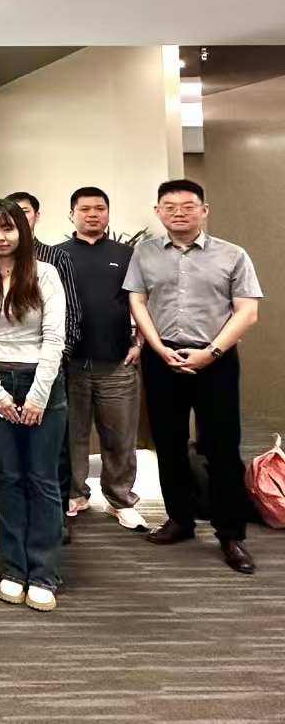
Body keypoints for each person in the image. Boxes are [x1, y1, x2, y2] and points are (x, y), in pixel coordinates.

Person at [126, 179, 261, 574]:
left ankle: (230, 533)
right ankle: (180, 520)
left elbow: (247, 311)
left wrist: (211, 353)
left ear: (204, 210)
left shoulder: (232, 255)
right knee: (167, 443)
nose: (179, 212)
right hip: (163, 358)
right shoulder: (145, 253)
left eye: (188, 205)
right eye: (169, 206)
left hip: (215, 359)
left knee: (221, 445)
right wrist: (157, 347)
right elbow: (138, 300)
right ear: (158, 212)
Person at [0, 199, 67, 613]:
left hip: (43, 382)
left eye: (7, 229)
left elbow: (54, 338)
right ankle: (13, 568)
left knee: (42, 479)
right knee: (8, 479)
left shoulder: (45, 273)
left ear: (22, 232)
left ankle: (43, 572)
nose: (0, 237)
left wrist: (38, 395)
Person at [57, 187, 147, 531]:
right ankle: (75, 493)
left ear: (108, 213)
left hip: (117, 361)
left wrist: (140, 341)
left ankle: (120, 499)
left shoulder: (128, 254)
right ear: (72, 215)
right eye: (84, 209)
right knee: (71, 436)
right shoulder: (57, 255)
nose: (92, 214)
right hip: (70, 364)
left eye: (99, 208)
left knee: (120, 437)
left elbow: (143, 300)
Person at [6, 191, 82, 541]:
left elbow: (71, 316)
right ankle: (21, 514)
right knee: (13, 452)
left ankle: (57, 515)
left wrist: (55, 362)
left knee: (54, 449)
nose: (18, 219)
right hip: (7, 370)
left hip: (50, 367)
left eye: (24, 212)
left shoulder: (55, 258)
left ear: (36, 216)